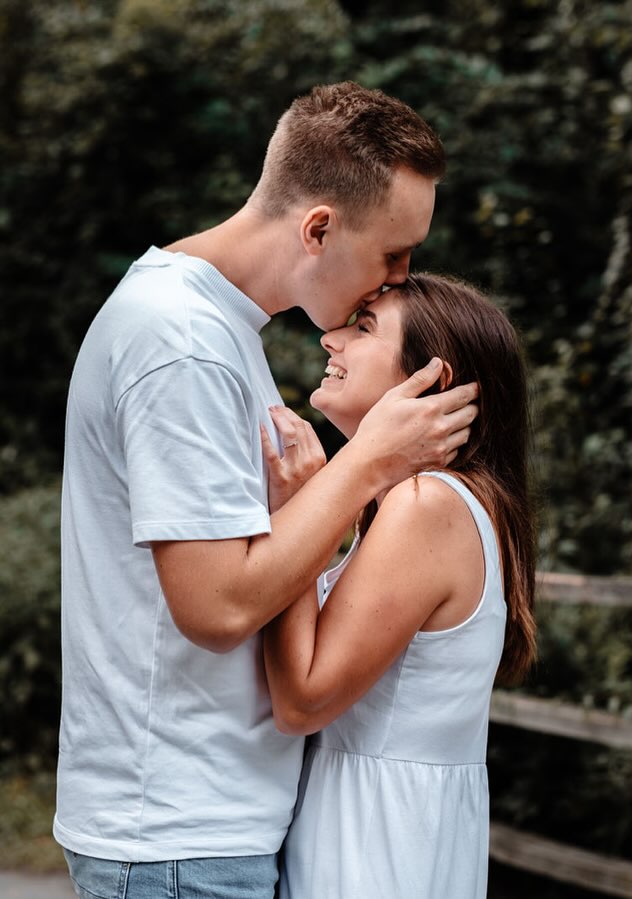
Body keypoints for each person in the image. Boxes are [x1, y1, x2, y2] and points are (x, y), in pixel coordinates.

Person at [54, 82, 480, 899]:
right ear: (318, 227)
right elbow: (215, 608)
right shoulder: (181, 343)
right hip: (179, 837)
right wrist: (365, 466)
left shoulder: (216, 331)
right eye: (393, 254)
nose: (398, 280)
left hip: (209, 826)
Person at [262, 272, 538, 899]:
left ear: (430, 386)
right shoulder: (414, 507)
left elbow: (302, 700)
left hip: (374, 849)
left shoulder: (426, 504)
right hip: (384, 831)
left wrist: (300, 512)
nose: (330, 339)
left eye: (364, 328)